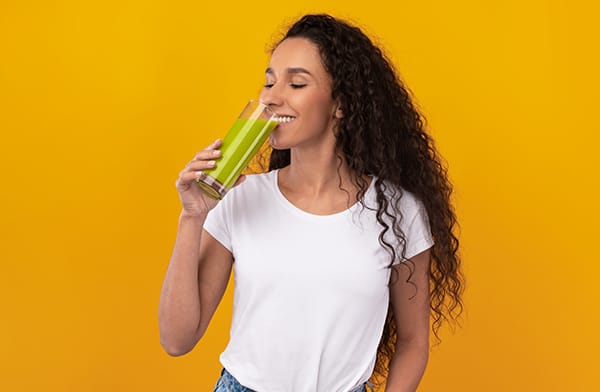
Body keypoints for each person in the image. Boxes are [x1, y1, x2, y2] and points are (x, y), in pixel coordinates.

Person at [159, 14, 463, 392]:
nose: (271, 96)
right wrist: (192, 217)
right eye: (269, 81)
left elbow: (414, 342)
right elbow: (177, 339)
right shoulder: (239, 198)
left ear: (342, 104)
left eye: (296, 83)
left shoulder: (398, 212)